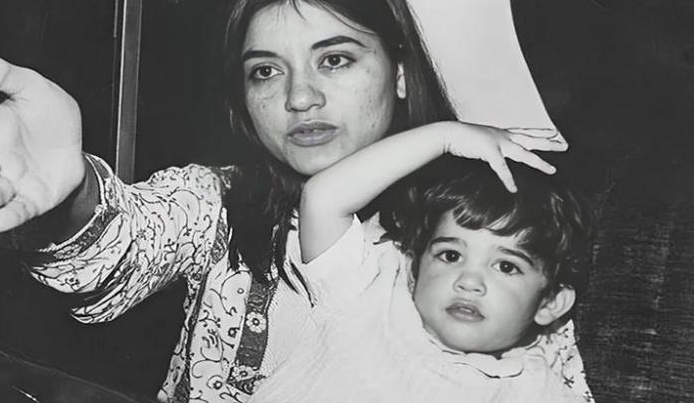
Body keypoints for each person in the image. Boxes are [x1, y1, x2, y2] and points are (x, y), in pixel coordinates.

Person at [0, 0, 586, 401]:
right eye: (266, 71)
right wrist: (70, 194)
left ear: (400, 73)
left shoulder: (487, 220)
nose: (299, 97)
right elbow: (121, 244)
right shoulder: (218, 201)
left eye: (335, 59)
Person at [248, 122, 594, 402]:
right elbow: (322, 198)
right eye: (451, 255)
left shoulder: (533, 390)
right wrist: (446, 137)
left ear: (550, 303)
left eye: (506, 266)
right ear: (414, 268)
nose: (468, 281)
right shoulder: (368, 297)